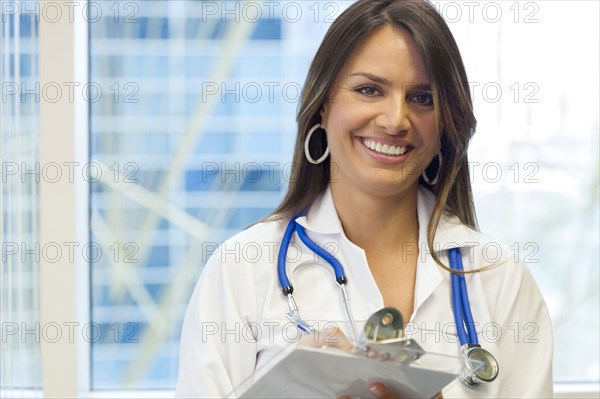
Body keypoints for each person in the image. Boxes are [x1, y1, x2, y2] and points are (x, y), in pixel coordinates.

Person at [175, 0, 553, 397]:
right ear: (322, 106)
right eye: (369, 89)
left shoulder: (498, 279)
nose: (395, 120)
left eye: (422, 98)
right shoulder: (243, 270)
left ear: (446, 121)